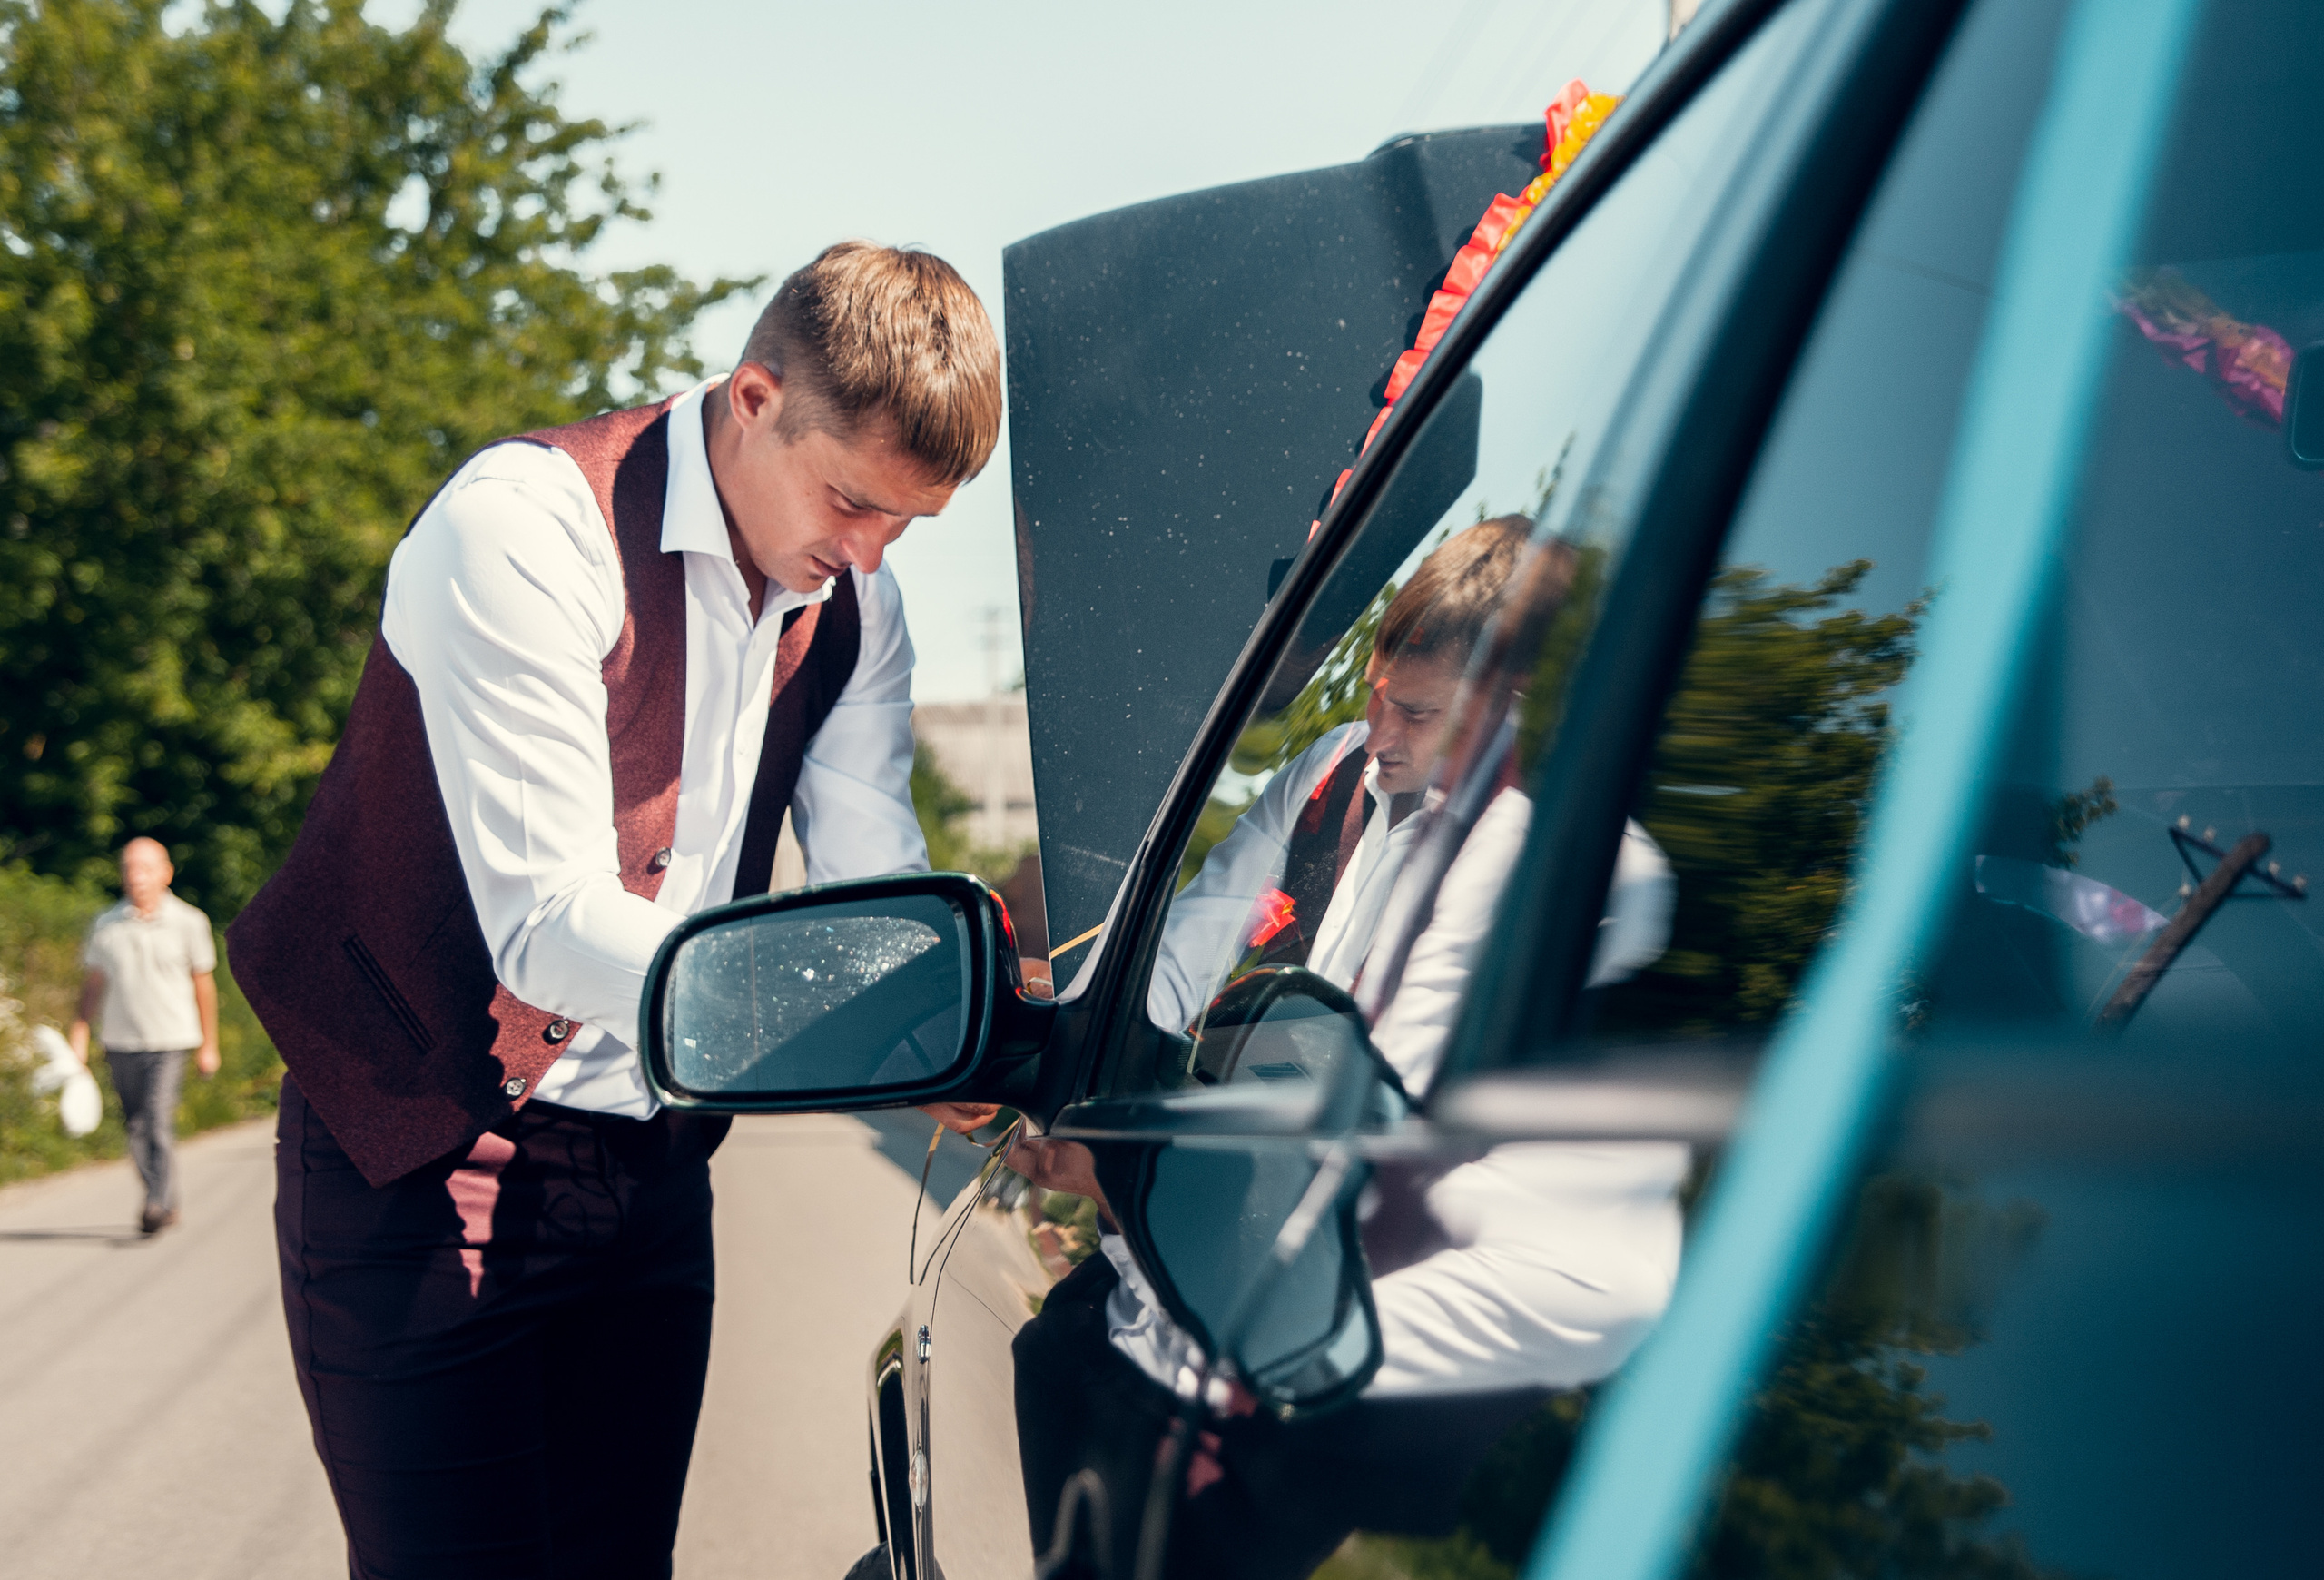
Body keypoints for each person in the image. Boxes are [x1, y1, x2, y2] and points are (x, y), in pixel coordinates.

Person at [226, 242, 1005, 1579]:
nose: (868, 554)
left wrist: (958, 1014)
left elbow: (876, 870)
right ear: (753, 397)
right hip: (425, 1149)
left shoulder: (857, 601)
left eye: (908, 527)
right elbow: (550, 927)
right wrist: (852, 1014)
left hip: (650, 1172)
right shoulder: (524, 528)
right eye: (851, 501)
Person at [67, 837, 220, 1234]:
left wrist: (210, 1045)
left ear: (166, 872)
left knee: (156, 1119)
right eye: (129, 868)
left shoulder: (190, 922)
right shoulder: (107, 924)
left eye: (146, 867)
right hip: (120, 1040)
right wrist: (79, 1033)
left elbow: (203, 985)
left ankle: (158, 1201)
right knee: (135, 1125)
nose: (136, 876)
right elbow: (92, 986)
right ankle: (158, 1195)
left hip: (171, 1039)